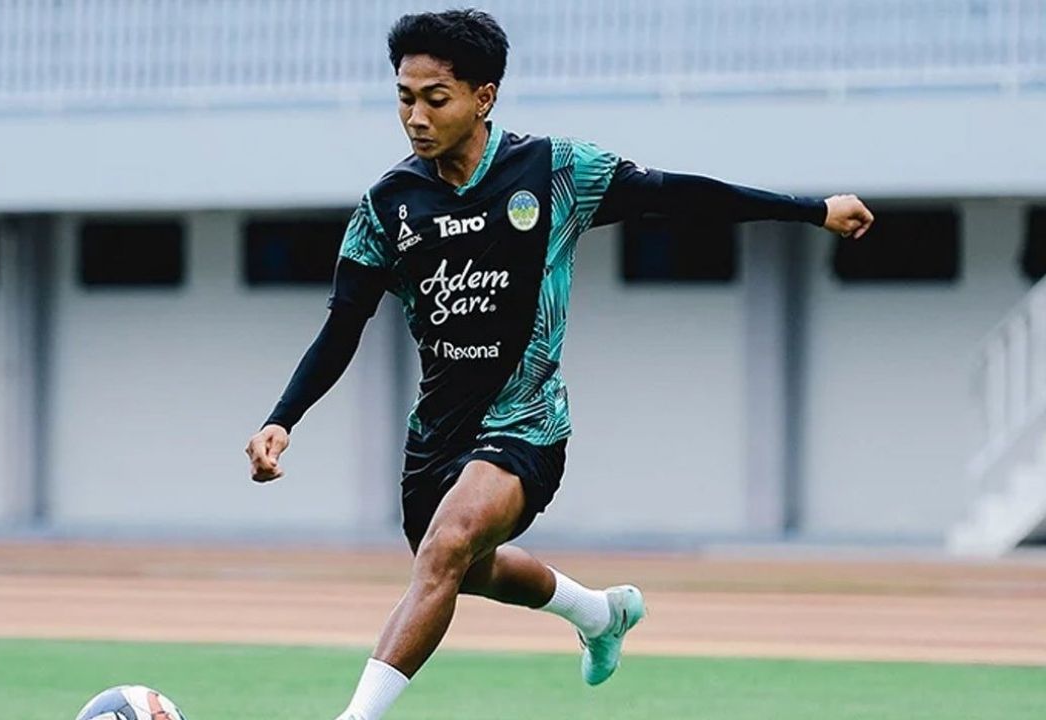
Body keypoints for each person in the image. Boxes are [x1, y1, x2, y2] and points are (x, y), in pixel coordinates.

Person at [245, 9, 873, 720]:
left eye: (435, 98)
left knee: (446, 549)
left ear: (484, 96)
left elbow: (678, 196)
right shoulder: (387, 206)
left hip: (527, 424)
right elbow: (342, 326)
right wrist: (282, 419)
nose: (416, 117)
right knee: (459, 567)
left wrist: (812, 210)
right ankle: (599, 613)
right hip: (437, 436)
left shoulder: (554, 171)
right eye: (404, 97)